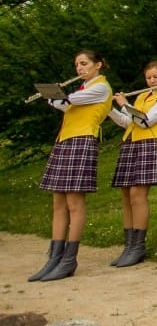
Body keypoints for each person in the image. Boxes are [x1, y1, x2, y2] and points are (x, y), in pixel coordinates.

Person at [28, 50, 113, 282]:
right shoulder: (83, 89)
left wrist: (56, 95)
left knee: (74, 202)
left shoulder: (101, 87)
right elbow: (64, 106)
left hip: (82, 141)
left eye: (84, 63)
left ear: (98, 65)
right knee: (58, 202)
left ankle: (69, 259)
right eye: (77, 64)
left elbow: (69, 101)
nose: (80, 68)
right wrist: (55, 97)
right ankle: (54, 258)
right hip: (64, 141)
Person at [107, 60, 157, 268]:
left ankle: (138, 246)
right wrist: (109, 108)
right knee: (126, 194)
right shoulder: (141, 96)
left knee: (138, 195)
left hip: (152, 143)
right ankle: (129, 245)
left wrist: (123, 104)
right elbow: (127, 122)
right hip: (132, 143)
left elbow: (145, 120)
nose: (152, 81)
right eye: (149, 78)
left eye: (156, 76)